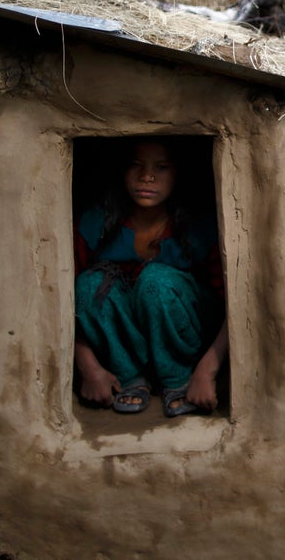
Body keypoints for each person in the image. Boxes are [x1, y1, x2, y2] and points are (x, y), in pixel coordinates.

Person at [73, 138, 227, 417]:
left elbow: (236, 307)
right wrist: (88, 367)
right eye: (136, 165)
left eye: (162, 167)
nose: (147, 176)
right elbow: (57, 302)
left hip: (188, 342)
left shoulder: (200, 228)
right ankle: (129, 376)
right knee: (88, 285)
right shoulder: (95, 222)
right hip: (119, 347)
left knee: (156, 281)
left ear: (179, 173)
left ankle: (177, 377)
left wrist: (208, 370)